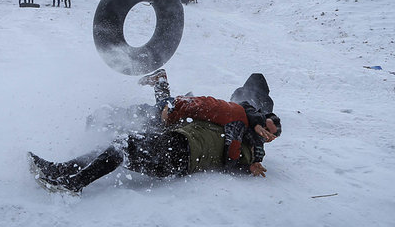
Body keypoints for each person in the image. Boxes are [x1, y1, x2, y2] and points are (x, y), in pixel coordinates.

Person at [29, 70, 281, 194]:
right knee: (120, 144)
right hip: (177, 138)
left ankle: (73, 184)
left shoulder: (248, 146)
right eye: (267, 125)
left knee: (122, 147)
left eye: (271, 134)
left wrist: (248, 164)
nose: (266, 133)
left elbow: (230, 161)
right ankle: (64, 170)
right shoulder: (240, 117)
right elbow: (233, 108)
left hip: (183, 153)